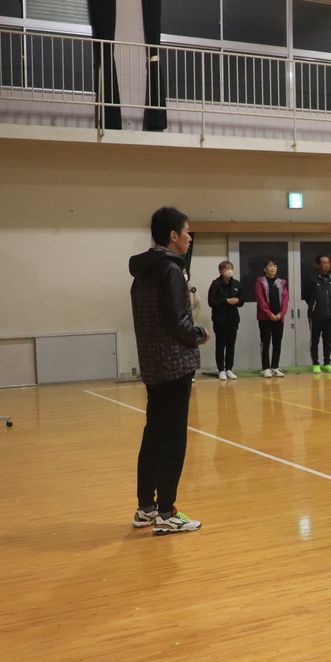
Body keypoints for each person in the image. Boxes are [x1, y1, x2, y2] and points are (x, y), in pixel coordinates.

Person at [129, 207, 209, 534]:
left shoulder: (143, 271)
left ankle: (145, 507)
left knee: (154, 433)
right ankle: (166, 512)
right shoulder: (171, 271)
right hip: (174, 364)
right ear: (173, 236)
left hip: (152, 363)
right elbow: (178, 321)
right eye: (187, 232)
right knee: (174, 437)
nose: (190, 238)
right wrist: (199, 334)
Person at [207, 260, 242, 379]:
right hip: (220, 320)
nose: (229, 271)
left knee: (231, 345)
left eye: (231, 268)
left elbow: (242, 299)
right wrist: (226, 301)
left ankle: (229, 369)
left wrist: (237, 300)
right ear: (221, 271)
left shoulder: (236, 284)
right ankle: (221, 369)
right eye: (226, 268)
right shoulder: (215, 284)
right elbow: (211, 301)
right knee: (220, 345)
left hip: (233, 319)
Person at [304, 254, 331, 373]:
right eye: (324, 263)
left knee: (327, 340)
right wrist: (314, 305)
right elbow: (307, 295)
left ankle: (327, 362)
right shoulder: (312, 278)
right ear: (318, 265)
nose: (326, 265)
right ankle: (315, 363)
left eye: (328, 262)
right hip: (316, 315)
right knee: (315, 340)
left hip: (329, 314)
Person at [255, 259, 289, 377]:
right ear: (265, 269)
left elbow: (285, 300)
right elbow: (261, 300)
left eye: (274, 266)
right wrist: (269, 314)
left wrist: (281, 314)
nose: (273, 268)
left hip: (279, 318)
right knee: (265, 342)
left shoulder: (281, 282)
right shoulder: (260, 282)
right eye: (270, 266)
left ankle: (275, 366)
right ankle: (266, 367)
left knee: (277, 342)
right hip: (265, 318)